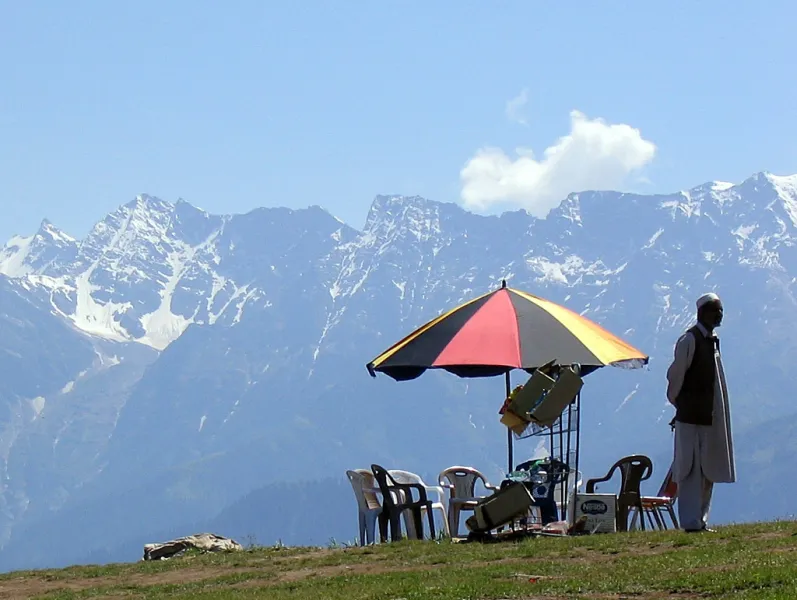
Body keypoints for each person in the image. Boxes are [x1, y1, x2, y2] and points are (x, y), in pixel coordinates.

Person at [665, 292, 736, 532]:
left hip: (709, 417)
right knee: (690, 469)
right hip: (690, 418)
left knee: (708, 469)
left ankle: (701, 519)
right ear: (702, 313)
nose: (719, 315)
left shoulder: (712, 341)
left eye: (721, 311)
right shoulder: (689, 340)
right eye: (715, 310)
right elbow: (676, 376)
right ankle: (690, 521)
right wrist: (681, 404)